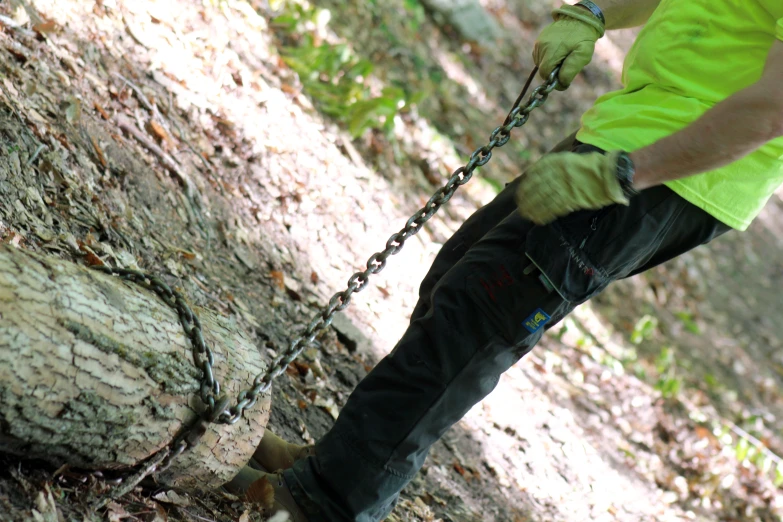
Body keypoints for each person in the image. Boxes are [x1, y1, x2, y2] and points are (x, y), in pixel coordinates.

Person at [226, 0, 783, 520]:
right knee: (458, 276)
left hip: (673, 172)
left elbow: (772, 107)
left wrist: (629, 172)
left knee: (477, 317)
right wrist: (591, 12)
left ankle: (323, 502)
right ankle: (342, 462)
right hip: (629, 134)